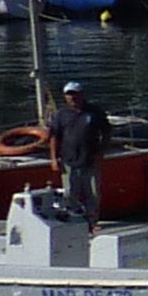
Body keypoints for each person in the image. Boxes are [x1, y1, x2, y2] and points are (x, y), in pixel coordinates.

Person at [51, 81, 109, 219]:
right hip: (69, 160)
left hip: (89, 159)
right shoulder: (61, 114)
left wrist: (100, 153)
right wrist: (54, 158)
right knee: (70, 193)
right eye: (69, 94)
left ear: (82, 94)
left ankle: (93, 220)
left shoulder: (94, 112)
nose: (72, 97)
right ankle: (73, 219)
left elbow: (106, 132)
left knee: (93, 192)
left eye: (75, 94)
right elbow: (54, 136)